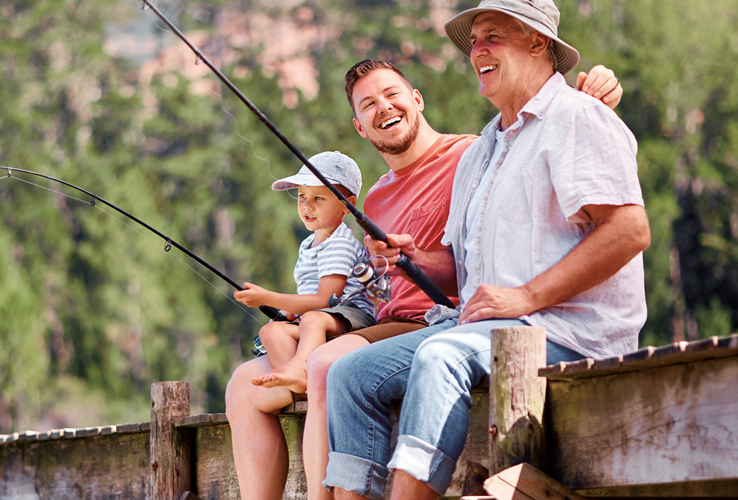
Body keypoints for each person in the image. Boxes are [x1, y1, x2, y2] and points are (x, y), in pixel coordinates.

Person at [224, 58, 624, 500]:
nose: (383, 108)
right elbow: (375, 289)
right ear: (359, 126)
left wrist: (594, 95)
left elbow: (532, 152)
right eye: (368, 104)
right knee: (242, 384)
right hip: (381, 324)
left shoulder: (472, 156)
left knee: (325, 365)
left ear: (416, 99)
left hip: (437, 324)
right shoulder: (373, 197)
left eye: (392, 94)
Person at [321, 1, 650, 499]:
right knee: (347, 375)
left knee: (440, 355)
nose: (476, 51)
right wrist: (409, 258)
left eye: (492, 36)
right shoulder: (481, 151)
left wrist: (527, 297)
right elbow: (461, 273)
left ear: (538, 42)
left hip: (567, 333)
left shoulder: (578, 117)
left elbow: (629, 230)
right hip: (483, 329)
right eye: (473, 42)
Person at [233, 151, 380, 399]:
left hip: (350, 317)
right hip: (320, 317)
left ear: (348, 204)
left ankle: (301, 370)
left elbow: (325, 300)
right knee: (270, 332)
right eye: (302, 196)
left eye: (318, 197)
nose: (307, 205)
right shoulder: (308, 244)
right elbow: (308, 294)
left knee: (313, 319)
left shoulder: (339, 243)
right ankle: (299, 386)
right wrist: (288, 314)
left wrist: (267, 298)